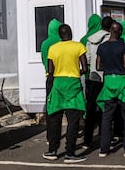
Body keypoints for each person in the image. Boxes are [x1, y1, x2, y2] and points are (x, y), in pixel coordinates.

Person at [43, 24, 87, 163]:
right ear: (70, 33)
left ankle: (52, 151)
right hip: (73, 84)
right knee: (73, 121)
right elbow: (85, 68)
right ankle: (70, 152)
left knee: (55, 119)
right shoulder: (78, 46)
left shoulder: (53, 48)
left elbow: (50, 71)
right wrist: (75, 72)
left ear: (60, 35)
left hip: (57, 85)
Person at [96, 21, 125, 157]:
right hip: (123, 82)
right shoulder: (123, 46)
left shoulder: (102, 47)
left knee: (107, 116)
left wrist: (109, 67)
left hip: (108, 82)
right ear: (119, 32)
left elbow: (98, 66)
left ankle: (104, 149)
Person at [82, 16, 113, 149]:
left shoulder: (88, 39)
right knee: (106, 107)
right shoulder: (110, 38)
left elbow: (87, 59)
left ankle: (87, 140)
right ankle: (104, 136)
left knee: (90, 107)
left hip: (93, 77)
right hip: (106, 77)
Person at [40, 18, 62, 144]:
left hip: (50, 77)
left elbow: (44, 60)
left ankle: (50, 136)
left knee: (50, 107)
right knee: (63, 107)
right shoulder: (61, 42)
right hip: (62, 77)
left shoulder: (44, 44)